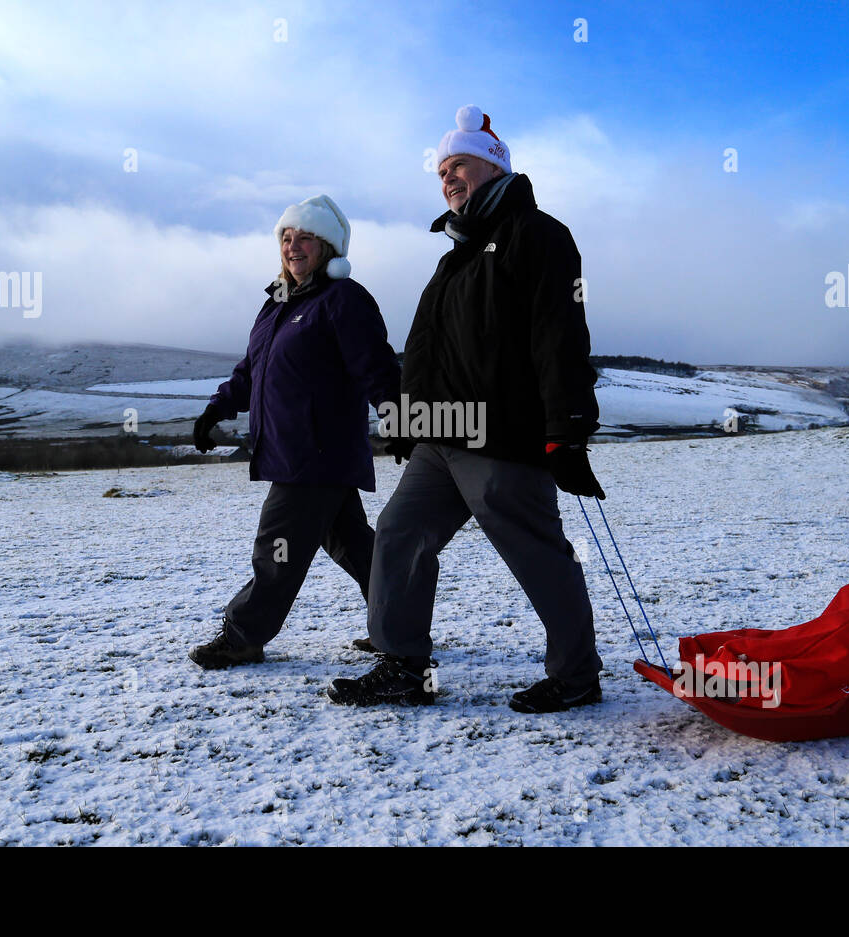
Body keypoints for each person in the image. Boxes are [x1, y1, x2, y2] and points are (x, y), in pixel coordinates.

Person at [328, 106, 607, 713]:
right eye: (440, 171)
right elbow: (427, 352)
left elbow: (559, 337)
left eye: (458, 165)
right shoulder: (454, 256)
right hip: (442, 436)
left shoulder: (539, 235)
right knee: (400, 534)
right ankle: (403, 665)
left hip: (504, 431)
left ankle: (577, 673)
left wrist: (568, 432)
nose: (448, 178)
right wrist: (409, 420)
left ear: (494, 164)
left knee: (533, 549)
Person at [189, 194, 401, 669]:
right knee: (354, 546)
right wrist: (215, 409)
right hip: (294, 451)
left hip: (315, 454)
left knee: (276, 547)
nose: (293, 245)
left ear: (327, 247)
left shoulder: (342, 299)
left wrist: (398, 418)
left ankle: (243, 635)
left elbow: (376, 366)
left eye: (305, 236)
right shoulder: (278, 305)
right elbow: (251, 373)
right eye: (286, 237)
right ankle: (399, 624)